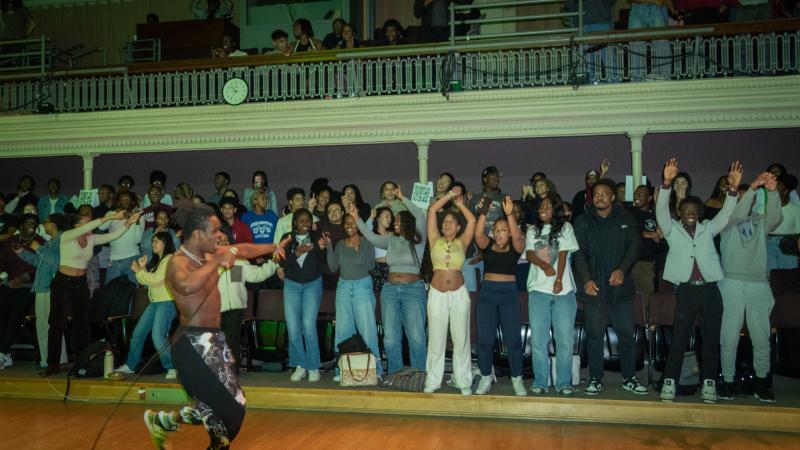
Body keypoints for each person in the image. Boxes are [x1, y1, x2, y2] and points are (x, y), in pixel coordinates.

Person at [143, 201, 288, 450]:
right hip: (191, 345)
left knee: (219, 406)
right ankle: (175, 426)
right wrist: (216, 262)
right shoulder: (177, 262)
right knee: (228, 411)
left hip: (214, 340)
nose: (220, 235)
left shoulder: (210, 254)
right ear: (198, 234)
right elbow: (187, 285)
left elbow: (241, 249)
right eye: (214, 231)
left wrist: (274, 245)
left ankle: (163, 420)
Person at [656, 158, 742, 403]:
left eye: (694, 210)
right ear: (680, 214)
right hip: (687, 291)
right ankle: (669, 383)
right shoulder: (672, 230)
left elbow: (726, 213)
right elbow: (661, 211)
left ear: (700, 213)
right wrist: (666, 183)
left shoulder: (709, 229)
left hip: (710, 291)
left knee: (711, 340)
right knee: (680, 339)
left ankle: (709, 384)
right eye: (686, 210)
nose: (690, 212)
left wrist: (733, 190)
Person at [40, 209, 139, 376]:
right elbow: (96, 223)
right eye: (86, 222)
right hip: (63, 283)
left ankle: (82, 362)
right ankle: (53, 364)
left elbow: (113, 236)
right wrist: (112, 217)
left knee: (82, 323)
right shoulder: (68, 236)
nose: (91, 225)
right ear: (77, 225)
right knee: (57, 323)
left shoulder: (91, 239)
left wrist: (129, 223)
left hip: (80, 283)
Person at [572, 178, 648, 397]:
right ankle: (596, 378)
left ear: (613, 196)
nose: (599, 197)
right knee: (595, 335)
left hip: (620, 288)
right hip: (593, 288)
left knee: (626, 334)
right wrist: (585, 279)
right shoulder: (583, 220)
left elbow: (635, 246)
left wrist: (622, 269)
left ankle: (629, 378)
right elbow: (578, 254)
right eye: (596, 194)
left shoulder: (626, 217)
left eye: (604, 194)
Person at [717, 171, 781, 403]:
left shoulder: (760, 221)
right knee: (729, 336)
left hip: (758, 284)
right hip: (731, 282)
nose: (746, 199)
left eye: (749, 196)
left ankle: (762, 382)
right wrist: (753, 187)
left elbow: (776, 218)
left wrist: (772, 192)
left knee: (761, 337)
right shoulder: (726, 221)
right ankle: (728, 380)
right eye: (741, 196)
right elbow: (738, 212)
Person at [355, 187, 428, 375]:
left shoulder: (417, 239)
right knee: (390, 338)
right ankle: (396, 375)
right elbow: (370, 236)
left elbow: (420, 215)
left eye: (397, 221)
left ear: (406, 222)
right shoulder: (390, 241)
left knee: (417, 336)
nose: (394, 224)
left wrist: (403, 198)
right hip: (390, 290)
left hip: (413, 289)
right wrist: (356, 218)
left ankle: (418, 375)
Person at [526, 194, 580, 396]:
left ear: (556, 209)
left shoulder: (566, 228)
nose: (544, 208)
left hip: (563, 291)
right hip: (538, 291)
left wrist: (558, 279)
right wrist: (544, 265)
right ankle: (540, 381)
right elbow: (530, 253)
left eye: (548, 205)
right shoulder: (532, 229)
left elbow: (564, 252)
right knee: (538, 340)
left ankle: (563, 382)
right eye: (541, 206)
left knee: (564, 339)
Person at [424, 189, 476, 395]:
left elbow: (472, 220)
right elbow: (432, 211)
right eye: (444, 221)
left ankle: (463, 381)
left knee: (461, 339)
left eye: (452, 221)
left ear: (458, 227)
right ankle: (433, 380)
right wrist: (447, 197)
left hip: (459, 294)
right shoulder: (434, 238)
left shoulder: (462, 242)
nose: (447, 223)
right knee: (436, 339)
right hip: (436, 293)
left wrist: (460, 203)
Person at [474, 195, 526, 396]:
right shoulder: (487, 246)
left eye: (504, 230)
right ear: (493, 233)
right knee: (485, 340)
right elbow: (478, 235)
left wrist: (510, 214)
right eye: (497, 230)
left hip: (508, 295)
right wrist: (483, 213)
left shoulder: (516, 247)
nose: (500, 233)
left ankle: (517, 379)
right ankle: (486, 377)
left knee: (513, 340)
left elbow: (519, 238)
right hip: (488, 295)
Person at [326, 210, 383, 380]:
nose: (350, 226)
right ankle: (342, 370)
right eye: (347, 223)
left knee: (368, 330)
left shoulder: (367, 242)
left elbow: (371, 266)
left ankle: (375, 370)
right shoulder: (341, 244)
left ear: (359, 224)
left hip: (362, 287)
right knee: (343, 331)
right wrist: (329, 245)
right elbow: (332, 267)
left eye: (353, 222)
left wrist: (359, 250)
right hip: (343, 287)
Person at [115, 232, 179, 380]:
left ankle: (172, 367)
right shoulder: (158, 260)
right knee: (138, 333)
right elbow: (146, 281)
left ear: (165, 242)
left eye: (156, 241)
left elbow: (155, 280)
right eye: (152, 242)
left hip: (166, 302)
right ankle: (131, 365)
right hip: (155, 302)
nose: (152, 244)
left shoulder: (169, 259)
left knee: (158, 335)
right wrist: (142, 269)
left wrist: (140, 271)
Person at [278, 208, 327, 382]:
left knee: (308, 325)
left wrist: (322, 248)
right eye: (301, 221)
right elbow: (282, 261)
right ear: (295, 223)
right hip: (292, 285)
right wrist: (297, 253)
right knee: (292, 328)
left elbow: (323, 260)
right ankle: (299, 364)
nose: (305, 224)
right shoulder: (286, 237)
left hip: (312, 284)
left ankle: (313, 366)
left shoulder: (316, 235)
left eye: (308, 221)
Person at [216, 232, 277, 373]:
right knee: (219, 339)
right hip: (215, 308)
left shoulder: (240, 261)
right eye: (220, 241)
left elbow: (257, 275)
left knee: (232, 338)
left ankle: (232, 370)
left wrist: (272, 264)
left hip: (236, 306)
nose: (224, 243)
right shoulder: (209, 262)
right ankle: (220, 369)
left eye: (226, 240)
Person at [15, 213, 69, 369]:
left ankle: (58, 359)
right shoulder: (50, 242)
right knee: (42, 326)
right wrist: (21, 252)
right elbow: (38, 261)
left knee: (53, 326)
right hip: (42, 287)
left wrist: (39, 248)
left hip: (52, 288)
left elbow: (59, 263)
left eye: (46, 222)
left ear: (54, 224)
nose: (43, 225)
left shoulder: (61, 240)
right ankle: (47, 360)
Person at [0, 213, 44, 370]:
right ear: (21, 225)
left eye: (34, 223)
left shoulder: (40, 242)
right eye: (27, 222)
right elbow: (2, 262)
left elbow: (41, 267)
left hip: (29, 286)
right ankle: (7, 354)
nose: (31, 225)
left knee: (14, 315)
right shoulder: (11, 241)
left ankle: (2, 353)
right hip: (9, 283)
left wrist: (24, 278)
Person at [99, 191, 143, 284]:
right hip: (114, 258)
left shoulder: (138, 216)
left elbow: (137, 240)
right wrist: (114, 216)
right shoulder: (111, 213)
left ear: (133, 202)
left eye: (128, 199)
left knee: (131, 290)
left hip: (132, 258)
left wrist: (138, 222)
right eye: (123, 200)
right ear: (118, 203)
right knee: (110, 290)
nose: (126, 201)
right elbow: (101, 227)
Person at [767, 174, 800, 270]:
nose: (774, 191)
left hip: (789, 244)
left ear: (785, 192)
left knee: (789, 275)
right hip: (768, 243)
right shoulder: (767, 208)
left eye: (777, 189)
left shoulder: (796, 210)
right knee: (771, 275)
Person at [368, 206, 394, 292]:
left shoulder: (393, 235)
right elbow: (365, 230)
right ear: (378, 218)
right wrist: (371, 217)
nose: (389, 219)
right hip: (378, 270)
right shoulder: (373, 235)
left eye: (390, 217)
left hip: (393, 269)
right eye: (387, 216)